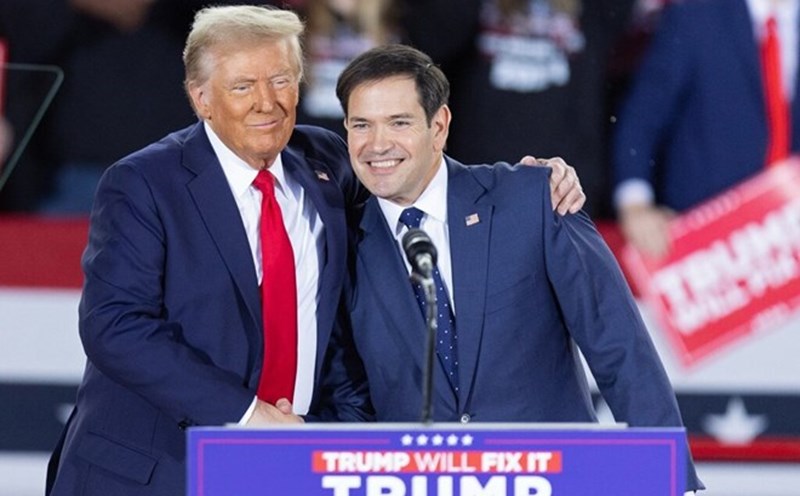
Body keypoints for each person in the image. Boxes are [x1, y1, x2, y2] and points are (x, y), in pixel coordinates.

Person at [44, 5, 586, 495]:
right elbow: (115, 326)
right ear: (200, 97)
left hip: (285, 467)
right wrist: (246, 415)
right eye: (243, 86)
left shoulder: (323, 160)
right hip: (154, 471)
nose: (267, 102)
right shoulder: (144, 183)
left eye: (282, 80)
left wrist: (521, 183)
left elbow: (412, 177)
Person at [331, 44, 703, 492]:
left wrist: (671, 480)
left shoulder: (532, 199)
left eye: (399, 122)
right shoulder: (342, 244)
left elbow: (620, 349)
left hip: (553, 481)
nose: (377, 144)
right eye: (361, 125)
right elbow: (348, 395)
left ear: (439, 126)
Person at [611, 0, 800, 257]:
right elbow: (642, 117)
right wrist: (635, 204)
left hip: (788, 237)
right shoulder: (696, 16)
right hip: (706, 240)